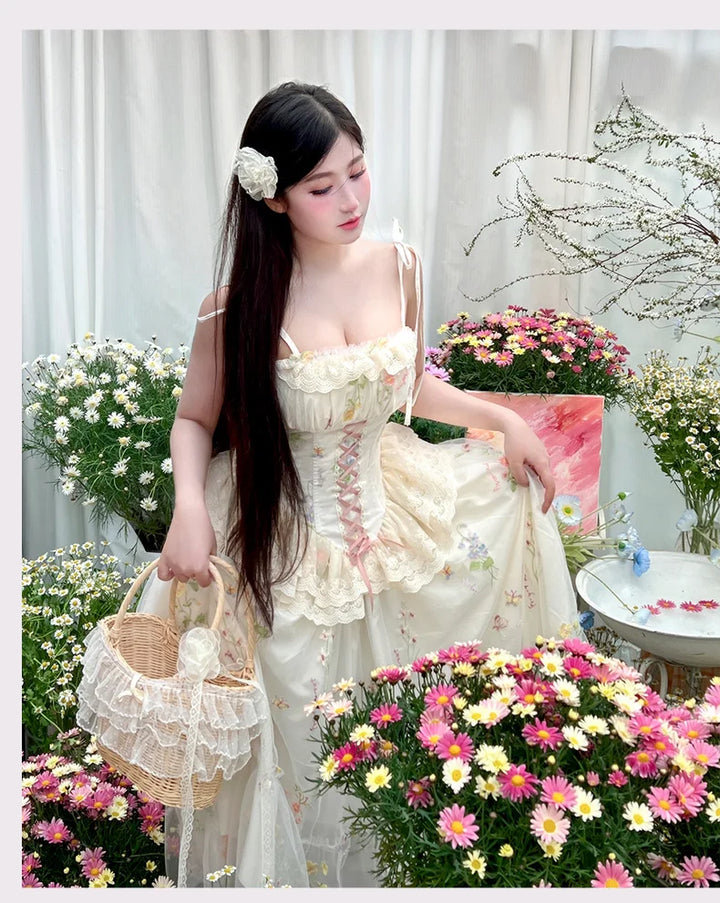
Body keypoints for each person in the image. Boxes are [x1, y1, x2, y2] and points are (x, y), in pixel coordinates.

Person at [140, 80, 581, 888]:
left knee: (409, 739)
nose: (351, 200)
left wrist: (501, 419)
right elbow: (194, 419)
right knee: (307, 751)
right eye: (322, 186)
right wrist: (189, 508)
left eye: (358, 171)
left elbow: (408, 385)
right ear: (273, 198)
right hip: (284, 548)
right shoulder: (234, 309)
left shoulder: (399, 266)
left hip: (394, 523)